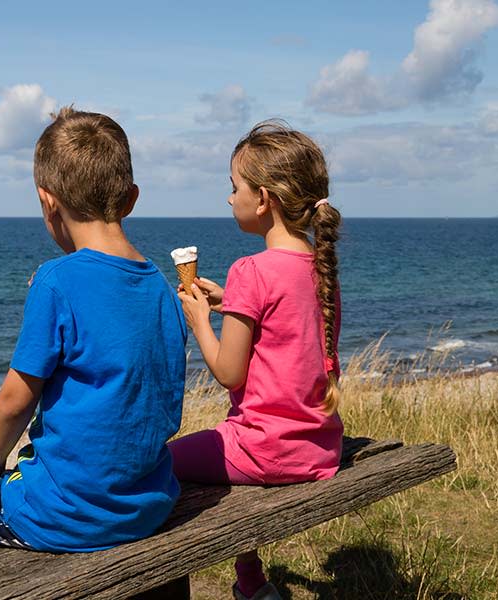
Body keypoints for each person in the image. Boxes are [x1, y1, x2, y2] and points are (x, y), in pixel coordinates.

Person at [0, 107, 188, 552]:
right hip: (148, 503)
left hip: (66, 514)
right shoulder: (160, 285)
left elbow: (15, 399)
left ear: (48, 202)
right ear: (131, 198)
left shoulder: (55, 281)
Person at [173, 120, 344, 600]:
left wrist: (201, 319)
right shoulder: (321, 268)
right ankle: (252, 584)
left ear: (263, 199)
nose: (230, 198)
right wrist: (232, 302)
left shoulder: (250, 269)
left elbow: (229, 372)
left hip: (264, 450)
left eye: (235, 188)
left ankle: (240, 583)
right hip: (320, 448)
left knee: (155, 464)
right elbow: (289, 327)